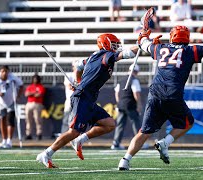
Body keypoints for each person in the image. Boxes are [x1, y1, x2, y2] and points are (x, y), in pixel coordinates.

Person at [118, 21, 203, 170]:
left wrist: (144, 37)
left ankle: (125, 160)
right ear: (187, 38)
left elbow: (143, 44)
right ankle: (165, 143)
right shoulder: (190, 51)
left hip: (155, 93)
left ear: (172, 37)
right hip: (173, 93)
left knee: (144, 132)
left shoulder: (160, 47)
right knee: (188, 122)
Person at [36, 33, 142, 168]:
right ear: (106, 44)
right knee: (73, 131)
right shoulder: (105, 55)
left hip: (89, 98)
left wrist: (78, 81)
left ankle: (80, 140)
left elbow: (78, 65)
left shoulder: (94, 56)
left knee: (109, 124)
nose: (116, 48)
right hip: (82, 97)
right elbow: (128, 54)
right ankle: (47, 153)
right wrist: (141, 45)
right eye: (114, 44)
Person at [111, 64, 146, 150]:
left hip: (121, 106)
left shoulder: (121, 80)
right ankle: (139, 142)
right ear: (136, 72)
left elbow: (117, 93)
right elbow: (136, 93)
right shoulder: (134, 80)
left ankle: (116, 143)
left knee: (120, 125)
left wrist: (119, 103)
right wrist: (139, 104)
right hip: (130, 105)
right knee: (136, 124)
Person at [0, 65, 23, 148]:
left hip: (11, 101)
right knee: (2, 119)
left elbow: (21, 86)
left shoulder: (13, 78)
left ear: (8, 72)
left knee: (10, 119)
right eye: (2, 71)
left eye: (6, 71)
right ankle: (4, 140)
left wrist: (18, 96)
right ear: (0, 71)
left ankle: (9, 141)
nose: (4, 73)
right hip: (1, 102)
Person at [24, 74, 45, 140]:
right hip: (29, 104)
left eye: (36, 79)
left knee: (38, 119)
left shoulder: (41, 87)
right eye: (34, 78)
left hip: (37, 104)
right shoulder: (30, 86)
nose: (35, 80)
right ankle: (28, 134)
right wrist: (34, 93)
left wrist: (31, 93)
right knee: (28, 119)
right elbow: (26, 94)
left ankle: (39, 133)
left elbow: (39, 95)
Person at [60, 61, 77, 134]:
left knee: (76, 120)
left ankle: (75, 138)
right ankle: (63, 137)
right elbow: (69, 86)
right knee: (66, 119)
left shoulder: (83, 76)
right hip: (70, 100)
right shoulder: (69, 75)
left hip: (79, 100)